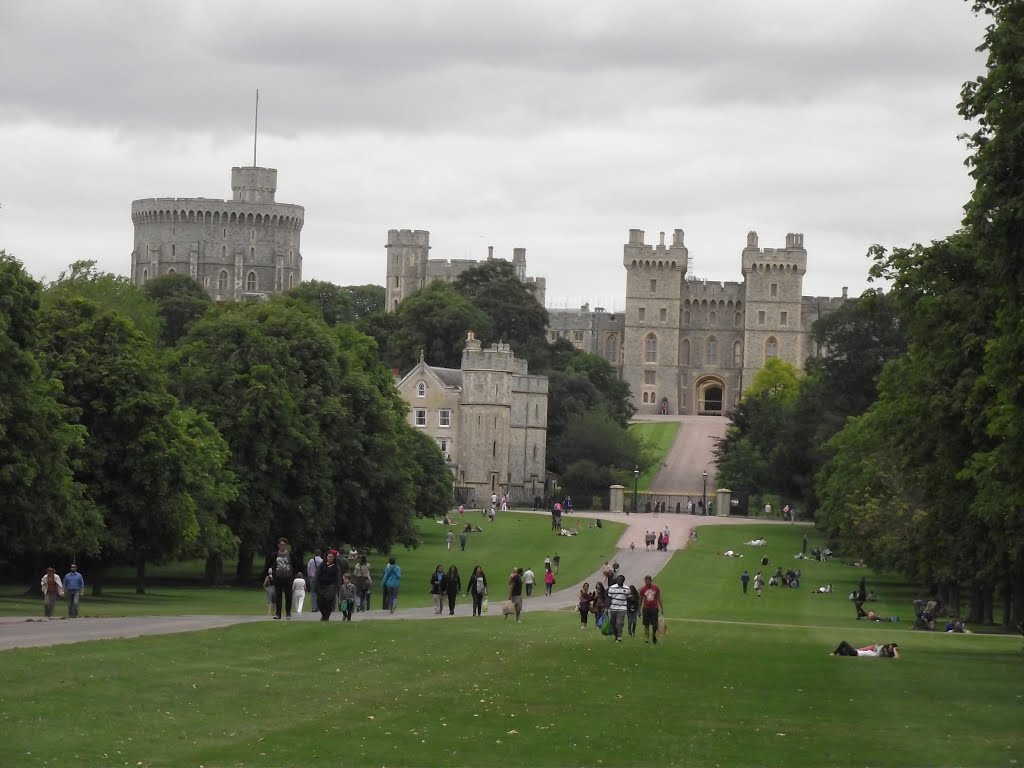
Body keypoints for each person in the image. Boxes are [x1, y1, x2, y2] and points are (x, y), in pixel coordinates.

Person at [266, 537, 302, 620]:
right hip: (278, 578)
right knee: (278, 596)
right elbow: (269, 564)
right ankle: (278, 614)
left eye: (284, 545)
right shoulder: (275, 555)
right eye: (281, 545)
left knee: (288, 596)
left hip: (288, 578)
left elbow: (297, 564)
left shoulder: (290, 554)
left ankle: (288, 613)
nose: (282, 546)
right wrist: (272, 571)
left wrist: (293, 575)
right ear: (278, 545)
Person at [315, 551, 342, 621]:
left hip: (331, 586)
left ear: (334, 558)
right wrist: (316, 584)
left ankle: (326, 617)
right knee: (320, 602)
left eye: (331, 557)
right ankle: (324, 615)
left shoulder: (336, 567)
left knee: (328, 602)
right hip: (321, 586)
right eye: (329, 557)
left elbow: (338, 577)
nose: (330, 558)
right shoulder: (322, 565)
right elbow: (317, 575)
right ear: (326, 557)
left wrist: (338, 588)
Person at [638, 575, 663, 645]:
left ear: (651, 580)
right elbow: (640, 600)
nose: (647, 582)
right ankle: (646, 639)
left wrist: (661, 608)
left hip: (654, 608)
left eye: (648, 580)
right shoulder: (643, 589)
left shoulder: (656, 588)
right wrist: (639, 610)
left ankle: (654, 634)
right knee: (646, 625)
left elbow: (659, 598)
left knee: (655, 624)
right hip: (646, 609)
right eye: (646, 581)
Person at [607, 575, 630, 642]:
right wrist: (607, 607)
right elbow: (609, 598)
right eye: (618, 579)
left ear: (623, 580)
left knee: (619, 623)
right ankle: (616, 635)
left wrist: (628, 608)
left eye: (621, 579)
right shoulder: (612, 588)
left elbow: (629, 599)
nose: (620, 580)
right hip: (613, 607)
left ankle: (619, 636)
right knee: (612, 622)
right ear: (617, 580)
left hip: (622, 608)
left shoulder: (627, 589)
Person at [832, 641, 899, 658]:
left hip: (857, 654)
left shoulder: (889, 655)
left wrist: (895, 650)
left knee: (844, 643)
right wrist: (878, 647)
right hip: (857, 652)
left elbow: (897, 657)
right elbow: (875, 647)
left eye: (891, 648)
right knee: (842, 651)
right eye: (890, 647)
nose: (889, 648)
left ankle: (833, 653)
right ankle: (839, 654)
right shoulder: (880, 650)